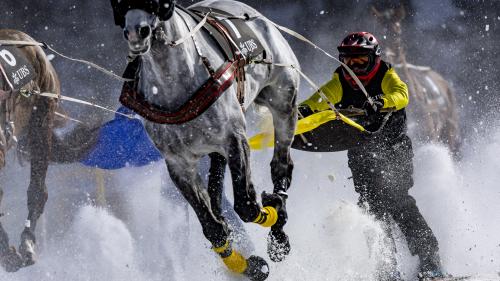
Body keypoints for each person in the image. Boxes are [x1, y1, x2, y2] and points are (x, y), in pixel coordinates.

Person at [298, 32, 444, 280]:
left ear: (374, 58)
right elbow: (320, 100)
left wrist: (383, 101)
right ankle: (386, 267)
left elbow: (402, 94)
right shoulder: (340, 81)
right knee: (371, 209)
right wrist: (302, 111)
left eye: (360, 61)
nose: (353, 67)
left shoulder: (386, 75)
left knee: (399, 203)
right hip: (361, 153)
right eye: (348, 61)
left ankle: (430, 261)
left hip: (394, 150)